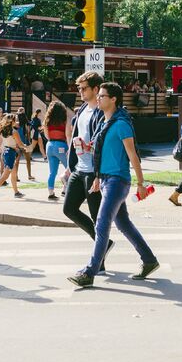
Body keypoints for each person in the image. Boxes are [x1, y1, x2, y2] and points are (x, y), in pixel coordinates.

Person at [67, 82, 159, 288]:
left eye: (102, 96)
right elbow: (101, 152)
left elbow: (133, 155)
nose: (98, 99)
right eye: (98, 95)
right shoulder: (105, 123)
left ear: (113, 99)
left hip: (118, 180)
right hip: (107, 179)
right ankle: (149, 260)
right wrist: (88, 151)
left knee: (101, 224)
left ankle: (90, 272)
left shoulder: (122, 124)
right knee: (123, 223)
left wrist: (141, 183)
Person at [62, 72, 111, 268]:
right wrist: (69, 165)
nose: (80, 92)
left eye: (83, 88)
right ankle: (104, 245)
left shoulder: (102, 113)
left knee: (96, 217)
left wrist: (98, 173)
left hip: (93, 172)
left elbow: (103, 141)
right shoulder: (82, 109)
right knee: (69, 209)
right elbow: (76, 135)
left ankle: (99, 261)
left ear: (96, 89)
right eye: (79, 88)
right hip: (79, 168)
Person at [43, 101, 69, 201]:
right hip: (61, 144)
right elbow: (67, 135)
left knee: (52, 172)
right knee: (70, 168)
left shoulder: (47, 121)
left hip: (49, 145)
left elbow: (46, 135)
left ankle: (51, 192)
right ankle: (65, 188)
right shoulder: (64, 120)